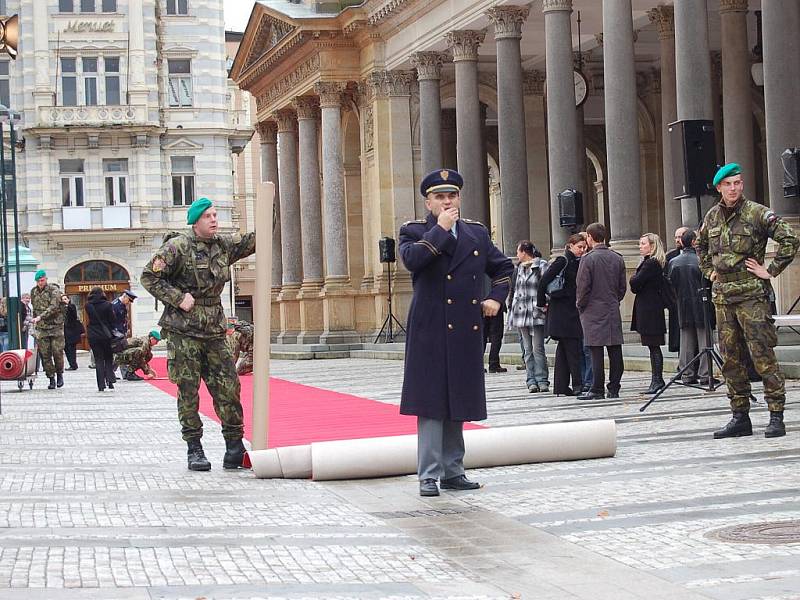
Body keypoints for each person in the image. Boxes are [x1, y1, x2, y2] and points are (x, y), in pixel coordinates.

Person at [399, 168, 513, 497]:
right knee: (431, 403)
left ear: (459, 198)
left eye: (452, 196)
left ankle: (453, 471)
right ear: (428, 202)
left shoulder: (476, 234)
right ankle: (428, 475)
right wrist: (441, 230)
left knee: (459, 400)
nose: (447, 201)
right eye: (440, 197)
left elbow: (503, 267)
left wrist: (495, 297)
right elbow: (413, 261)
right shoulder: (415, 231)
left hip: (464, 329)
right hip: (430, 329)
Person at [141, 197, 255, 471]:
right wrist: (178, 298)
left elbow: (254, 240)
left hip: (214, 331)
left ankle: (234, 447)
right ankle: (195, 448)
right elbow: (149, 276)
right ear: (196, 221)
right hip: (184, 332)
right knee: (188, 390)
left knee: (228, 387)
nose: (214, 220)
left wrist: (272, 206)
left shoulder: (223, 245)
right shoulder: (177, 247)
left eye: (215, 215)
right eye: (208, 216)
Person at [698, 163, 799, 439]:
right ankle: (740, 416)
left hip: (752, 296)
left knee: (762, 355)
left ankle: (776, 415)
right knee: (730, 359)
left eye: (738, 183)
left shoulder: (757, 213)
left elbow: (790, 239)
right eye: (728, 184)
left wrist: (771, 270)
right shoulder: (712, 217)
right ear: (719, 187)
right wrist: (710, 273)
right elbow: (701, 246)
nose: (734, 188)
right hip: (723, 298)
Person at [576, 223, 627, 400]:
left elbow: (582, 287)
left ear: (590, 237)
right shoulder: (617, 258)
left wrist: (580, 305)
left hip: (592, 309)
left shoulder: (587, 259)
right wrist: (614, 300)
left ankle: (597, 388)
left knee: (595, 351)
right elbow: (622, 288)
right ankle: (614, 387)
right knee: (615, 350)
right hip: (611, 308)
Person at [537, 233, 587, 396]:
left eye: (583, 247)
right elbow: (543, 281)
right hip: (562, 311)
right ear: (570, 246)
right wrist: (541, 303)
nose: (582, 250)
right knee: (572, 348)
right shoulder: (563, 260)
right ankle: (578, 385)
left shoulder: (576, 261)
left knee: (564, 350)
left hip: (567, 309)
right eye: (579, 247)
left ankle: (560, 386)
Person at [667, 229, 711, 385]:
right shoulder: (701, 261)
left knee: (686, 342)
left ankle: (687, 373)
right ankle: (706, 374)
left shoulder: (673, 262)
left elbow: (670, 285)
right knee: (704, 340)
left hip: (683, 304)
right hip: (701, 304)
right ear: (693, 242)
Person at [508, 241, 550, 393]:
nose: (517, 255)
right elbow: (514, 290)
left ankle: (542, 379)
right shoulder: (518, 269)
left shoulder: (542, 265)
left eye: (518, 252)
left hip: (536, 312)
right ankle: (531, 380)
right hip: (520, 313)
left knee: (538, 348)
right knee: (527, 349)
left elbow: (548, 285)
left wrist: (545, 302)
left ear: (524, 252)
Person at [630, 233, 668, 394]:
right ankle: (656, 379)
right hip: (648, 307)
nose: (640, 246)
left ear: (652, 246)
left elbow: (635, 282)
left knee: (654, 345)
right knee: (652, 346)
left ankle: (657, 379)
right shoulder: (649, 262)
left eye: (643, 243)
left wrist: (634, 278)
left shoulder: (651, 263)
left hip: (650, 309)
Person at [30, 270, 66, 390]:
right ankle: (51, 378)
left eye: (42, 280)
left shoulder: (53, 290)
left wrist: (41, 316)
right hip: (42, 327)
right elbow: (34, 308)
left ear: (46, 279)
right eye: (38, 281)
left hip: (55, 326)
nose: (40, 283)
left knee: (57, 352)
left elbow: (54, 307)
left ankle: (60, 373)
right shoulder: (34, 292)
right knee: (45, 355)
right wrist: (35, 321)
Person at [85, 287, 117, 392]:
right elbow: (112, 320)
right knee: (108, 358)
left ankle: (101, 385)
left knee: (98, 359)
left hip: (93, 335)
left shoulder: (88, 305)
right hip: (106, 334)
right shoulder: (108, 305)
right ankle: (110, 381)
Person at [665, 227, 688, 354]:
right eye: (676, 237)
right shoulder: (670, 257)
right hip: (676, 302)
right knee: (679, 337)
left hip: (692, 301)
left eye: (680, 237)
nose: (678, 240)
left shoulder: (697, 255)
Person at [112, 290, 136, 379]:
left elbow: (123, 320)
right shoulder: (115, 305)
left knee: (122, 353)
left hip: (121, 333)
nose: (129, 303)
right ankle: (111, 372)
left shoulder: (122, 305)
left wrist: (126, 329)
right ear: (125, 296)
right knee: (119, 353)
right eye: (129, 300)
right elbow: (112, 321)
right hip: (116, 334)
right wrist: (116, 333)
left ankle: (122, 373)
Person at [62, 294, 84, 370]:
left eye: (65, 299)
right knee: (66, 348)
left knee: (71, 349)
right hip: (64, 332)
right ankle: (72, 364)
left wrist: (66, 306)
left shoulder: (71, 306)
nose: (64, 301)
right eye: (62, 299)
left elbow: (72, 313)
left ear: (68, 300)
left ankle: (73, 365)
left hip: (71, 332)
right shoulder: (62, 309)